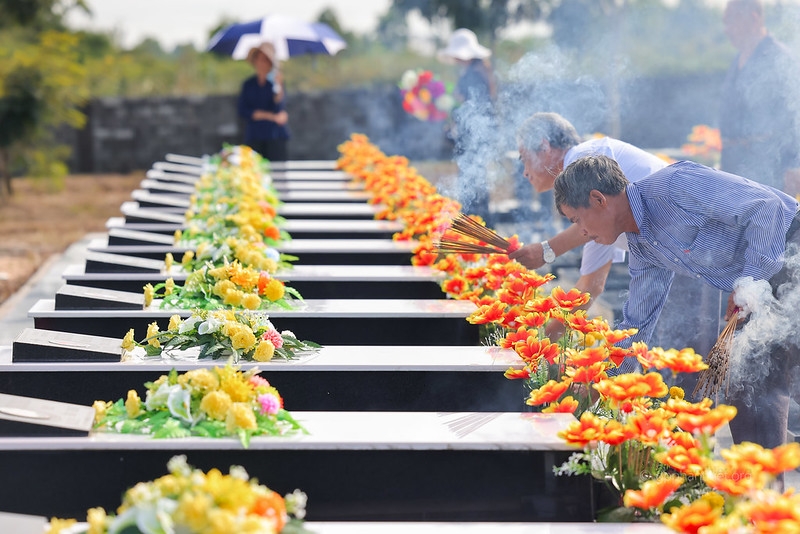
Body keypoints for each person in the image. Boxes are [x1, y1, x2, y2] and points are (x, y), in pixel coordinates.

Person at [553, 154, 800, 460]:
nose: (581, 232)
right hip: (758, 285)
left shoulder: (674, 185)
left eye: (577, 220)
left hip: (790, 253)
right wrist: (602, 382)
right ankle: (762, 481)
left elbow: (767, 208)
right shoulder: (643, 248)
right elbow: (637, 324)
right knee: (746, 383)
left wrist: (749, 283)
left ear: (598, 199)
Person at [719, 0, 800, 194]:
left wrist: (794, 165)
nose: (727, 30)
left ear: (754, 19)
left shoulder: (779, 58)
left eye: (731, 21)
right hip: (734, 167)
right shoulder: (737, 60)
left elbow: (796, 113)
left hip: (770, 169)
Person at [438, 28, 497, 226]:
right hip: (477, 133)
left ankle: (476, 222)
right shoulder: (478, 72)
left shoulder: (473, 75)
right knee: (477, 177)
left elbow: (471, 106)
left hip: (473, 135)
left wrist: (454, 112)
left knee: (472, 178)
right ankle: (479, 221)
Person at [237, 42, 289, 162]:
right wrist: (270, 116)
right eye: (260, 59)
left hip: (275, 136)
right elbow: (243, 111)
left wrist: (279, 87)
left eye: (266, 60)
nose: (262, 63)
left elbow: (279, 108)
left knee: (277, 170)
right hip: (255, 135)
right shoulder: (248, 84)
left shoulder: (276, 84)